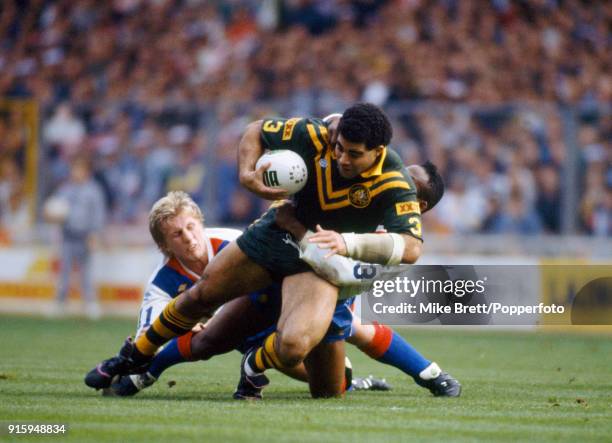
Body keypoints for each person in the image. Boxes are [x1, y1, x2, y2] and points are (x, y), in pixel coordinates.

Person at [90, 103, 439, 398]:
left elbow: (411, 248)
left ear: (378, 152)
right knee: (202, 297)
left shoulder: (396, 184)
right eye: (339, 147)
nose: (342, 158)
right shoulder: (317, 135)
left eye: (354, 153)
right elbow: (256, 130)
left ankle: (255, 362)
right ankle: (134, 357)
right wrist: (246, 173)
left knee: (307, 363)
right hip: (276, 237)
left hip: (319, 266)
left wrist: (346, 242)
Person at [86, 190, 458, 398]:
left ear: (200, 222)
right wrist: (141, 357)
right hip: (248, 327)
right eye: (176, 235)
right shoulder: (161, 284)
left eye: (190, 227)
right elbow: (150, 332)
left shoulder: (233, 244)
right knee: (199, 341)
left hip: (280, 308)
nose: (189, 237)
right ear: (164, 246)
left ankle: (425, 372)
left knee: (338, 370)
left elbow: (282, 258)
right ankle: (139, 375)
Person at [44, 156, 107, 319]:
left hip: (85, 236)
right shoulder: (64, 189)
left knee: (86, 272)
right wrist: (50, 215)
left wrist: (95, 234)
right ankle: (60, 303)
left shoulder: (93, 190)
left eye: (79, 169)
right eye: (74, 169)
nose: (76, 173)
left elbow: (98, 214)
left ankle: (90, 303)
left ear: (86, 172)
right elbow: (54, 209)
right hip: (67, 236)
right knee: (63, 271)